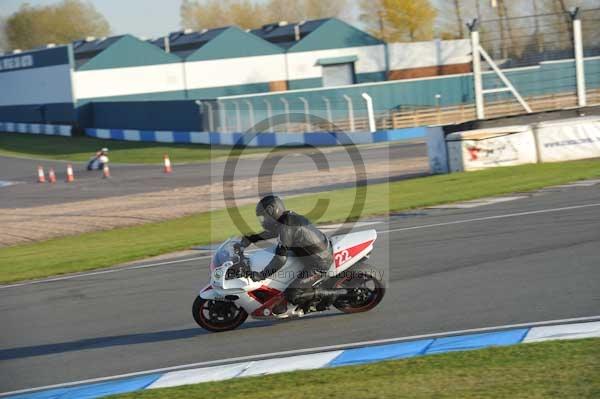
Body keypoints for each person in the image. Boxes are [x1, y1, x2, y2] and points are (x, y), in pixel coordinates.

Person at [241, 195, 333, 306]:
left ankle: (328, 296)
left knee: (292, 294)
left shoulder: (286, 226)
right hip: (309, 253)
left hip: (319, 264)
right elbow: (271, 233)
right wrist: (250, 238)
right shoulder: (285, 219)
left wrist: (262, 275)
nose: (263, 221)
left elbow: (280, 259)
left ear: (272, 211)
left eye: (264, 217)